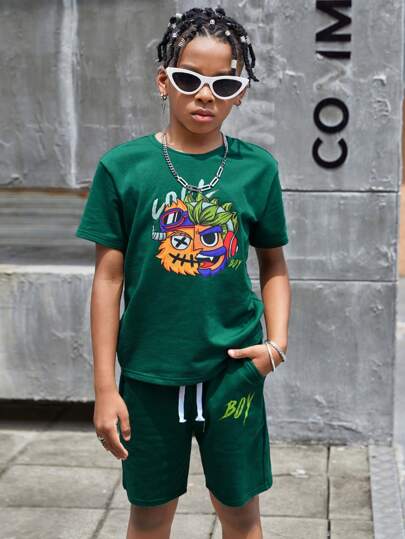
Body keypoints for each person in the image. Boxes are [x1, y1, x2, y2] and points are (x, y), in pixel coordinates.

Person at [75, 6, 291, 539]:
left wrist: (275, 346)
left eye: (224, 84)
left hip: (233, 374)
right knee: (149, 519)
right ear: (163, 82)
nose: (205, 95)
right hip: (149, 379)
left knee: (241, 518)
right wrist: (104, 388)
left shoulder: (257, 169)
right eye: (190, 79)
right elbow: (108, 281)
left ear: (240, 93)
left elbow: (273, 264)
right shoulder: (123, 168)